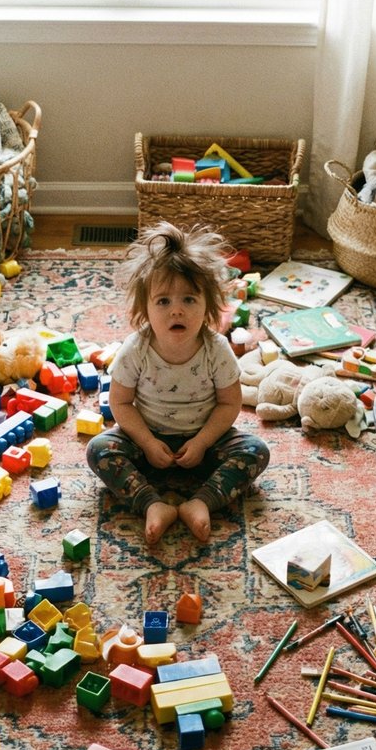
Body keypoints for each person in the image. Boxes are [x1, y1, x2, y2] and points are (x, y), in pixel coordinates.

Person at [86, 222, 270, 544]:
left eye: (189, 299)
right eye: (163, 302)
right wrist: (145, 441)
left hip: (206, 442)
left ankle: (200, 502)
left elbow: (230, 403)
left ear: (208, 305)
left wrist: (201, 443)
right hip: (147, 442)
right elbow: (120, 402)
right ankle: (152, 504)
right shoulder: (135, 348)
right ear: (144, 308)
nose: (177, 311)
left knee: (255, 451)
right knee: (98, 449)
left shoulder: (217, 349)